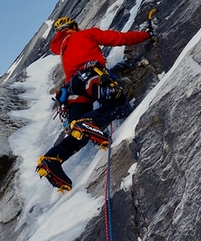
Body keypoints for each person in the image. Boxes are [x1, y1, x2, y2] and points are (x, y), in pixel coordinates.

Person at [36, 16, 152, 192]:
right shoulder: (86, 34)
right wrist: (145, 35)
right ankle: (90, 122)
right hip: (91, 76)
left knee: (78, 133)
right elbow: (119, 39)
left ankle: (52, 159)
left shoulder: (63, 49)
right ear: (74, 26)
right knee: (120, 105)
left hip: (73, 91)